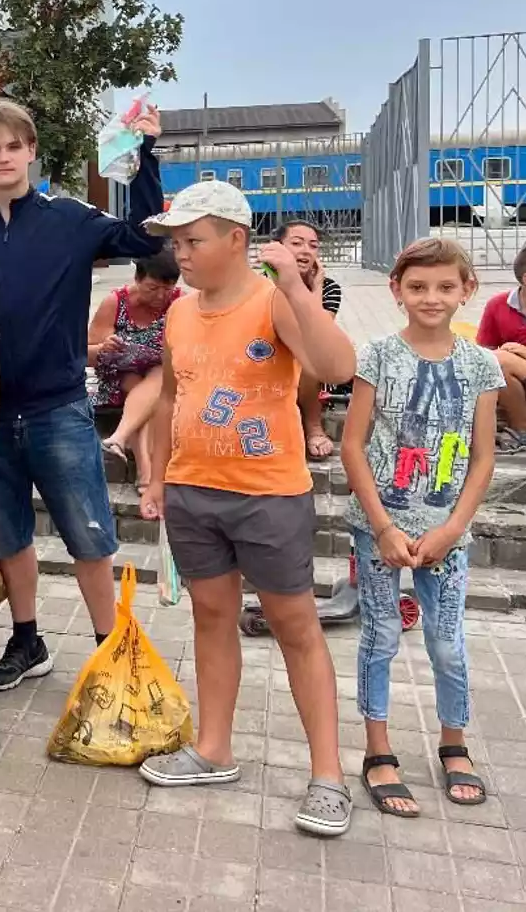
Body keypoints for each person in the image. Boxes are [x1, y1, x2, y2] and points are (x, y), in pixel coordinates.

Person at [136, 180, 358, 837]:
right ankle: (213, 749)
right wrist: (156, 475)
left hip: (267, 493)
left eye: (192, 241)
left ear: (236, 240)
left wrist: (294, 287)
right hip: (192, 489)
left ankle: (327, 777)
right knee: (210, 616)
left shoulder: (271, 301)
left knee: (294, 625)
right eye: (175, 242)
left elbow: (337, 363)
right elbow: (172, 397)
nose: (180, 253)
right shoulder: (177, 311)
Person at [0, 98, 163, 692]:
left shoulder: (69, 219)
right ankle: (28, 640)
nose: (4, 157)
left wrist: (146, 157)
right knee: (9, 537)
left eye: (14, 146)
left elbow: (144, 241)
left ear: (31, 151)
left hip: (60, 408)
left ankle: (109, 651)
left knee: (88, 537)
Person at [339, 238, 499, 817]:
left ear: (466, 290)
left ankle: (454, 742)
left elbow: (483, 457)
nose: (431, 298)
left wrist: (455, 527)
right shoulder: (378, 354)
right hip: (379, 529)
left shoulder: (481, 362)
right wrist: (381, 527)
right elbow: (352, 445)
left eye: (444, 287)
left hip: (446, 533)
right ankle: (378, 750)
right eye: (418, 286)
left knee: (447, 643)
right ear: (396, 289)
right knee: (380, 636)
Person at [90, 246, 182, 492]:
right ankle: (147, 472)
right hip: (119, 376)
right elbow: (84, 354)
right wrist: (103, 348)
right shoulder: (115, 302)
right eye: (153, 288)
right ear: (138, 279)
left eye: (167, 289)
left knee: (158, 376)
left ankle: (122, 442)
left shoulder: (180, 303)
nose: (161, 296)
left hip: (160, 374)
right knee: (138, 385)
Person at [274, 220, 344, 459]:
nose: (306, 250)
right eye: (296, 243)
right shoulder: (260, 283)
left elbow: (318, 331)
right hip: (266, 356)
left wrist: (314, 292)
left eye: (313, 246)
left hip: (307, 364)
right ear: (278, 246)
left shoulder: (329, 288)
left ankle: (313, 425)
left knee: (308, 353)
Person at [474, 245, 526, 448]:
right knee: (495, 361)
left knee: (500, 360)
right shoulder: (498, 305)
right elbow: (483, 352)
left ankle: (522, 430)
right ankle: (521, 429)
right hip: (514, 379)